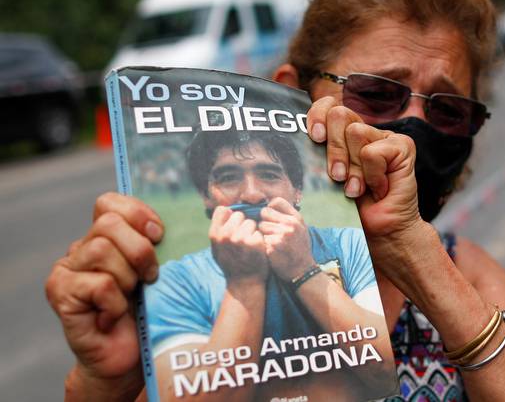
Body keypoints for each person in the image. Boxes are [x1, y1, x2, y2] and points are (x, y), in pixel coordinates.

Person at [46, 0, 505, 401]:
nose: (409, 135)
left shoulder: (463, 273)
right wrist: (99, 387)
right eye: (378, 93)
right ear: (292, 96)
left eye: (449, 111)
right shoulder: (179, 285)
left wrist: (415, 256)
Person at [148, 128, 394, 400]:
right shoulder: (176, 281)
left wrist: (304, 270)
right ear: (206, 195)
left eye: (269, 174)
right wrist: (245, 283)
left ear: (297, 190)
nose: (252, 195)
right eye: (229, 177)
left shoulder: (350, 246)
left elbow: (384, 373)